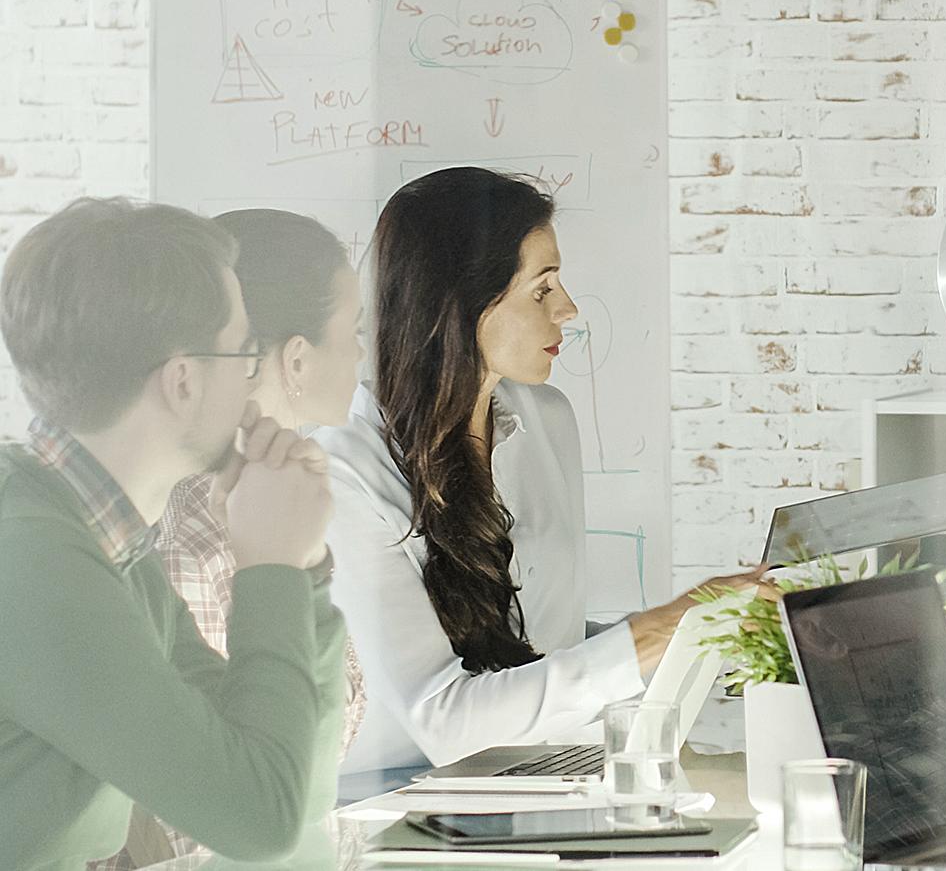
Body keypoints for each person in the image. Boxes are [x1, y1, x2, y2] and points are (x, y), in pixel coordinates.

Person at [315, 167, 762, 773]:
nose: (569, 308)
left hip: (537, 769)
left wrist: (713, 631)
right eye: (541, 288)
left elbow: (552, 645)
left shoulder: (547, 420)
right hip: (394, 802)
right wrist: (667, 625)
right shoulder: (344, 468)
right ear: (463, 303)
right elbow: (442, 721)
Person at [0, 198, 346, 870]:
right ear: (183, 379)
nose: (254, 381)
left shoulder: (109, 540)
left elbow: (296, 792)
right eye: (246, 352)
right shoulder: (29, 556)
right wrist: (268, 564)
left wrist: (301, 565)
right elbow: (260, 819)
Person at [90, 208, 370, 870]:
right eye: (353, 331)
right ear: (296, 357)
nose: (363, 353)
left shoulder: (272, 505)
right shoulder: (198, 527)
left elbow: (304, 774)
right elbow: (204, 811)